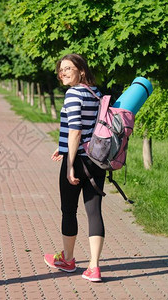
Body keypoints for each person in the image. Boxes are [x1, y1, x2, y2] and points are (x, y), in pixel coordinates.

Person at [44, 54, 106, 282]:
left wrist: (69, 165)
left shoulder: (73, 94)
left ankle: (68, 259)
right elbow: (91, 127)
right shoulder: (96, 93)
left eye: (68, 68)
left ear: (81, 70)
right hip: (97, 160)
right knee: (94, 211)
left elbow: (76, 131)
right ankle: (94, 267)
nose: (63, 73)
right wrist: (61, 147)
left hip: (78, 160)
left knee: (69, 210)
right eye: (61, 70)